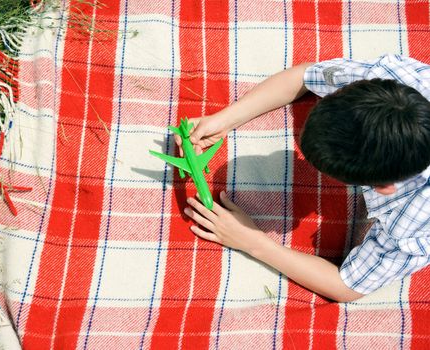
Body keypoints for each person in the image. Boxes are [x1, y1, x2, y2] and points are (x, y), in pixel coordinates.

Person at [177, 54, 430, 302]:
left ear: (384, 188)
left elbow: (347, 285)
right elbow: (304, 76)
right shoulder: (393, 79)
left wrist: (254, 242)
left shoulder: (412, 224)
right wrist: (224, 120)